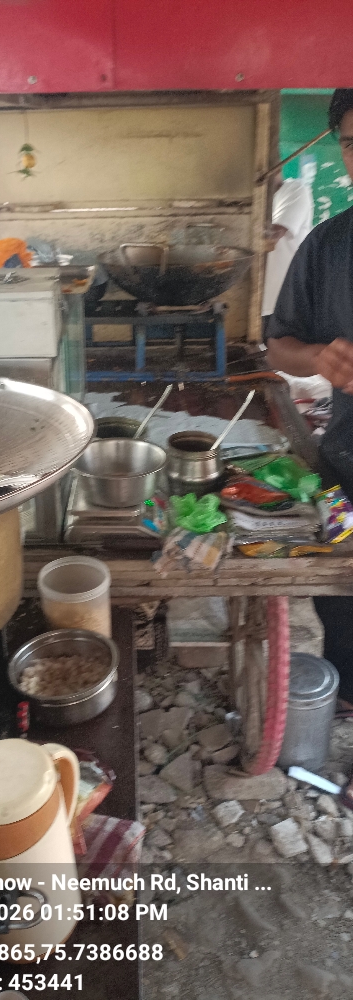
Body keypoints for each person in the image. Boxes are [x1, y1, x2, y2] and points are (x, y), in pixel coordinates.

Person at [267, 88, 353, 712]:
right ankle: (345, 698)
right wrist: (319, 358)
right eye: (352, 145)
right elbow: (280, 346)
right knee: (340, 593)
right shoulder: (328, 245)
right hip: (347, 462)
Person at [262, 175, 313, 341]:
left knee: (281, 351)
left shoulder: (294, 190)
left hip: (284, 303)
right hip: (258, 304)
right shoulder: (255, 200)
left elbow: (273, 235)